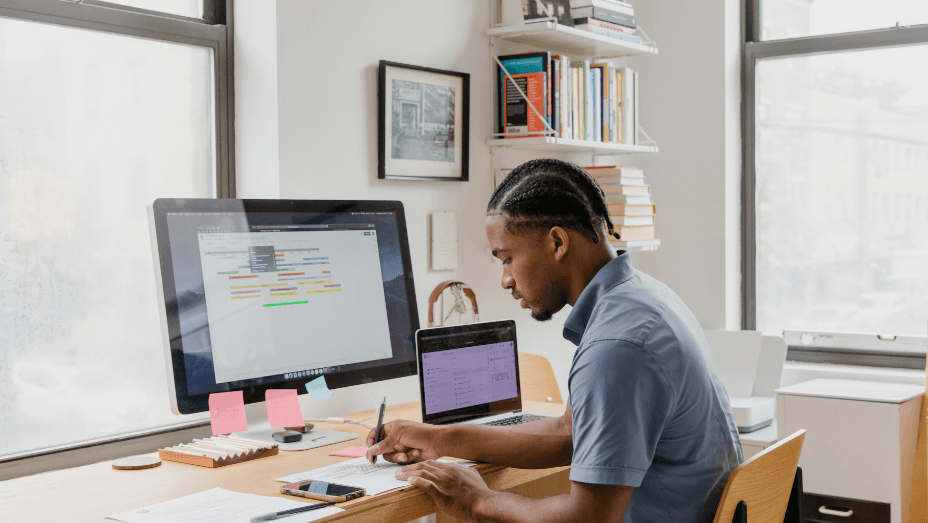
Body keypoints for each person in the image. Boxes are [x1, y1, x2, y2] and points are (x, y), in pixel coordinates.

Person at [367, 159, 743, 522]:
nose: (505, 279)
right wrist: (439, 439)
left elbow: (588, 520)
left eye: (507, 258)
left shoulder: (617, 346)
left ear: (558, 243)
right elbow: (568, 432)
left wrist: (478, 500)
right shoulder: (642, 297)